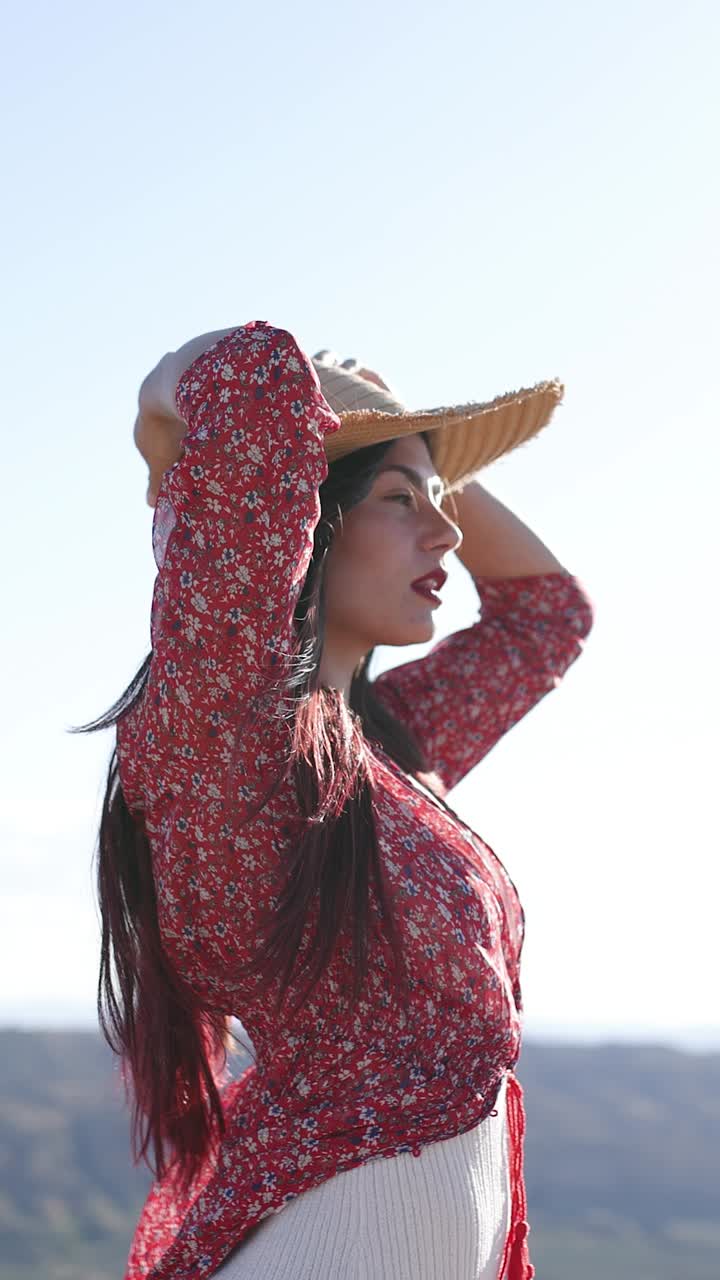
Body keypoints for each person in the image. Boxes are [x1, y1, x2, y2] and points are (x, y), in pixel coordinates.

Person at [75, 320, 595, 1279]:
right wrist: (183, 396)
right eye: (400, 502)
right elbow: (247, 381)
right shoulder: (232, 737)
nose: (447, 532)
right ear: (306, 517)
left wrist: (417, 455)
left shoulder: (388, 747)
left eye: (444, 505)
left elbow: (546, 616)